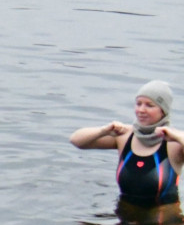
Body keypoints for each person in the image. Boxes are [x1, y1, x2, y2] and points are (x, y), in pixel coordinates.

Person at [70, 80, 184, 209]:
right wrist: (103, 131)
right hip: (126, 217)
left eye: (149, 105)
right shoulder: (124, 135)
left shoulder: (174, 143)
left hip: (163, 222)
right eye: (138, 104)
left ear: (163, 111)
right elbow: (76, 140)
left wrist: (177, 136)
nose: (141, 110)